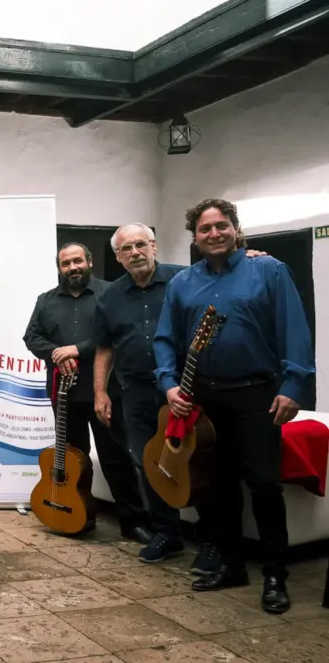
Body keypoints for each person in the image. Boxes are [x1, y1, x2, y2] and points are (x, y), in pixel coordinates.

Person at [155, 199, 314, 614]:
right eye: (205, 229)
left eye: (221, 226)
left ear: (236, 229)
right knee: (217, 486)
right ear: (195, 237)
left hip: (257, 396)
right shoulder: (182, 283)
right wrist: (169, 384)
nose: (214, 234)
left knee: (263, 483)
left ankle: (276, 574)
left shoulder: (269, 270)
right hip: (203, 400)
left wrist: (294, 384)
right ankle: (232, 565)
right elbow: (165, 339)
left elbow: (294, 329)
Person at [93, 223, 220, 571]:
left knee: (198, 463)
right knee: (148, 462)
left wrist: (253, 257)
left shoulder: (186, 279)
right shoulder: (111, 295)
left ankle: (211, 540)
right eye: (126, 249)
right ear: (118, 258)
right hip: (133, 393)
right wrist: (100, 392)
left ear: (154, 246)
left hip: (186, 390)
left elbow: (225, 286)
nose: (134, 253)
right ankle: (167, 533)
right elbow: (105, 347)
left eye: (140, 245)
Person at [23, 242, 150, 543]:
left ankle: (133, 522)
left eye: (77, 261)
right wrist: (56, 352)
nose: (72, 268)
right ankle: (80, 516)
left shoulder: (111, 293)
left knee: (115, 458)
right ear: (60, 268)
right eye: (66, 264)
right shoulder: (46, 300)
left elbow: (118, 335)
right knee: (72, 462)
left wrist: (76, 349)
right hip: (65, 395)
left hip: (107, 393)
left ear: (89, 261)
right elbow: (31, 337)